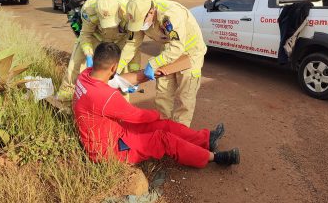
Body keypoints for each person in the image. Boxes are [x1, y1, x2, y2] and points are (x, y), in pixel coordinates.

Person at [73, 42, 240, 167]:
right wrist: (156, 114)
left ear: (95, 60)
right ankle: (213, 157)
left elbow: (121, 79)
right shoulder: (105, 96)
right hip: (108, 150)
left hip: (114, 131)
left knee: (163, 124)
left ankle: (205, 139)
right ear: (115, 66)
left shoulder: (85, 75)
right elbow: (138, 116)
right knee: (162, 138)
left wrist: (150, 74)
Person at [119, 0, 207, 127]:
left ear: (151, 12)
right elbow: (132, 45)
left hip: (190, 53)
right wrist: (117, 70)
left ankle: (180, 134)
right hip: (167, 52)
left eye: (141, 22)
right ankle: (163, 129)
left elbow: (177, 48)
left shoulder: (170, 15)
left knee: (185, 98)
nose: (140, 26)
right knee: (162, 95)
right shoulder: (139, 17)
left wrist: (153, 63)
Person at [56, 0, 141, 101]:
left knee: (121, 72)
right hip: (96, 36)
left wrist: (135, 74)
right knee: (76, 62)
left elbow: (133, 45)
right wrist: (88, 54)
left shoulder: (128, 12)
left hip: (120, 40)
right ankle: (66, 96)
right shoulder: (88, 10)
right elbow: (85, 34)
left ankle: (120, 102)